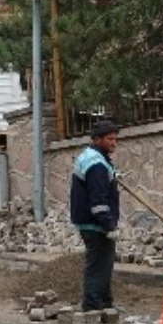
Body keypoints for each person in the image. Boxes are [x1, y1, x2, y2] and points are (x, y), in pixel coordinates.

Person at [70, 120, 121, 312]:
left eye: (116, 139)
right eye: (110, 139)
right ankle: (92, 304)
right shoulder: (97, 164)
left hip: (89, 221)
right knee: (98, 265)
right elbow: (98, 201)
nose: (114, 143)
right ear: (97, 139)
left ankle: (105, 302)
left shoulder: (93, 157)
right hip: (95, 224)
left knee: (103, 264)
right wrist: (109, 225)